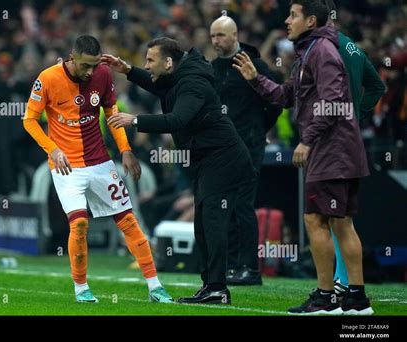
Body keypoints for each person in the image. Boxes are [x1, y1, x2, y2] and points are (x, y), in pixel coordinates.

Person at [232, 0, 373, 315]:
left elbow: (334, 100)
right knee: (341, 223)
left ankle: (326, 298)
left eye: (293, 15)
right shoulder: (310, 52)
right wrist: (255, 77)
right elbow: (285, 96)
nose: (286, 20)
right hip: (341, 149)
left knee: (316, 219)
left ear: (311, 20)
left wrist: (307, 141)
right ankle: (356, 301)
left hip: (331, 150)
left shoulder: (321, 51)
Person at [103, 37, 254, 304]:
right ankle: (211, 286)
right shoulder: (178, 76)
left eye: (150, 60)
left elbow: (177, 119)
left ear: (169, 62)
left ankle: (217, 288)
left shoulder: (192, 83)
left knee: (212, 222)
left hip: (224, 158)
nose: (146, 65)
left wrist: (134, 120)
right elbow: (157, 84)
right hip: (208, 158)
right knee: (204, 223)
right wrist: (127, 70)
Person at [23, 35, 173, 303]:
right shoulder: (46, 78)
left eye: (94, 65)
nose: (90, 71)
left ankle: (155, 286)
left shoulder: (103, 75)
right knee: (79, 224)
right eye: (85, 66)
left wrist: (126, 150)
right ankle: (81, 288)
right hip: (66, 166)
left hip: (100, 163)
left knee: (128, 220)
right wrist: (52, 149)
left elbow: (113, 116)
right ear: (72, 56)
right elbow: (30, 120)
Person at [210, 15, 282, 285]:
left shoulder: (257, 65)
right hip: (222, 148)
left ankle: (250, 268)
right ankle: (230, 266)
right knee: (223, 207)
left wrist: (257, 131)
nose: (216, 41)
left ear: (234, 35)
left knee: (242, 205)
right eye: (213, 36)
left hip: (248, 147)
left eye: (220, 35)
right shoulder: (213, 68)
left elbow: (276, 101)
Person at [323, 0, 386, 298]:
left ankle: (343, 281)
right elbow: (377, 86)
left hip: (333, 138)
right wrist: (357, 114)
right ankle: (343, 279)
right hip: (347, 137)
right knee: (339, 213)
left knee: (336, 214)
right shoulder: (351, 47)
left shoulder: (327, 49)